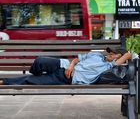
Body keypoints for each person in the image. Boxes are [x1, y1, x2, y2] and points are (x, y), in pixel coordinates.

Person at [0, 47, 132, 85]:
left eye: (115, 54)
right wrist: (71, 66)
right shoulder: (96, 55)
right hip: (64, 66)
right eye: (111, 52)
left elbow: (129, 56)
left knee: (30, 80)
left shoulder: (109, 69)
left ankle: (4, 81)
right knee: (39, 61)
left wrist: (125, 55)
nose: (111, 54)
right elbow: (76, 59)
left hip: (65, 78)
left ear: (119, 59)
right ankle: (40, 76)